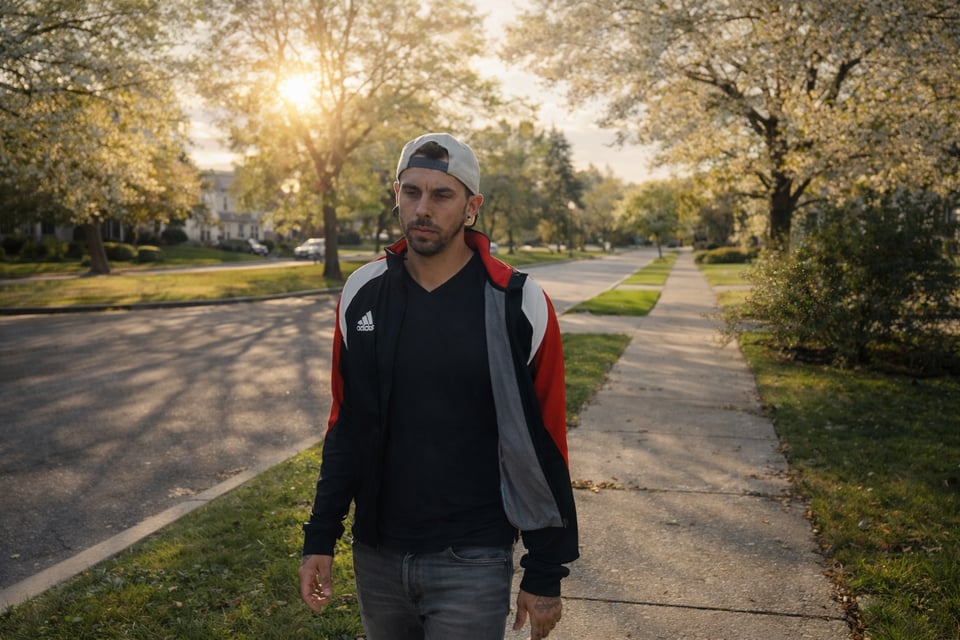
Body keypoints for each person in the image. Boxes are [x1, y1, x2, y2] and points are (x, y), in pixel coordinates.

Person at [298, 132, 579, 640]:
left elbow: (546, 443)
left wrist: (545, 571)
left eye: (441, 195)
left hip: (473, 555)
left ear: (472, 207)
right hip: (377, 554)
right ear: (397, 196)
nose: (422, 208)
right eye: (412, 192)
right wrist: (320, 538)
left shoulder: (519, 302)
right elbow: (347, 424)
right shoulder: (364, 293)